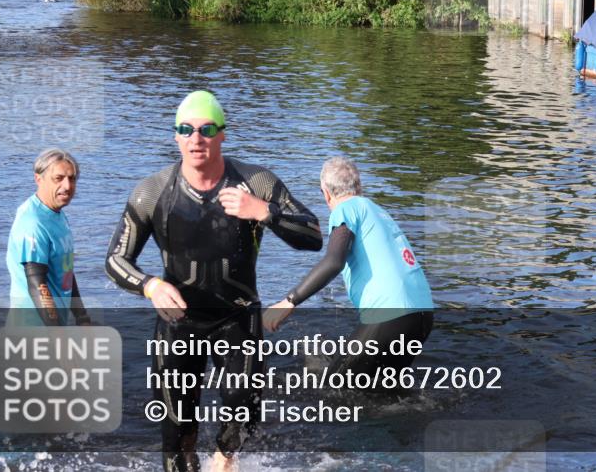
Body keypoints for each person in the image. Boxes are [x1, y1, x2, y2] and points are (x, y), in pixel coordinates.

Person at [105, 90, 322, 472]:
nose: (196, 139)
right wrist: (150, 286)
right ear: (175, 136)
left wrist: (264, 213)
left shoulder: (256, 182)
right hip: (178, 324)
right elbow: (116, 259)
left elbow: (313, 235)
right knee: (176, 431)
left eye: (206, 130)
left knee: (244, 411)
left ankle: (224, 457)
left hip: (237, 319)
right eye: (186, 129)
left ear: (223, 134)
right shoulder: (152, 193)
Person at [264, 156, 434, 376]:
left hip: (390, 315)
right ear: (359, 186)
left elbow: (334, 262)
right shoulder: (377, 211)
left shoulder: (345, 210)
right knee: (381, 390)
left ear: (325, 193)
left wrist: (289, 301)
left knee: (333, 388)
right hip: (422, 315)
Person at [6, 149, 90, 326]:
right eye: (58, 178)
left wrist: (82, 318)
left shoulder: (56, 214)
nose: (67, 186)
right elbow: (37, 284)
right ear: (38, 179)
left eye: (72, 178)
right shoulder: (32, 223)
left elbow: (65, 271)